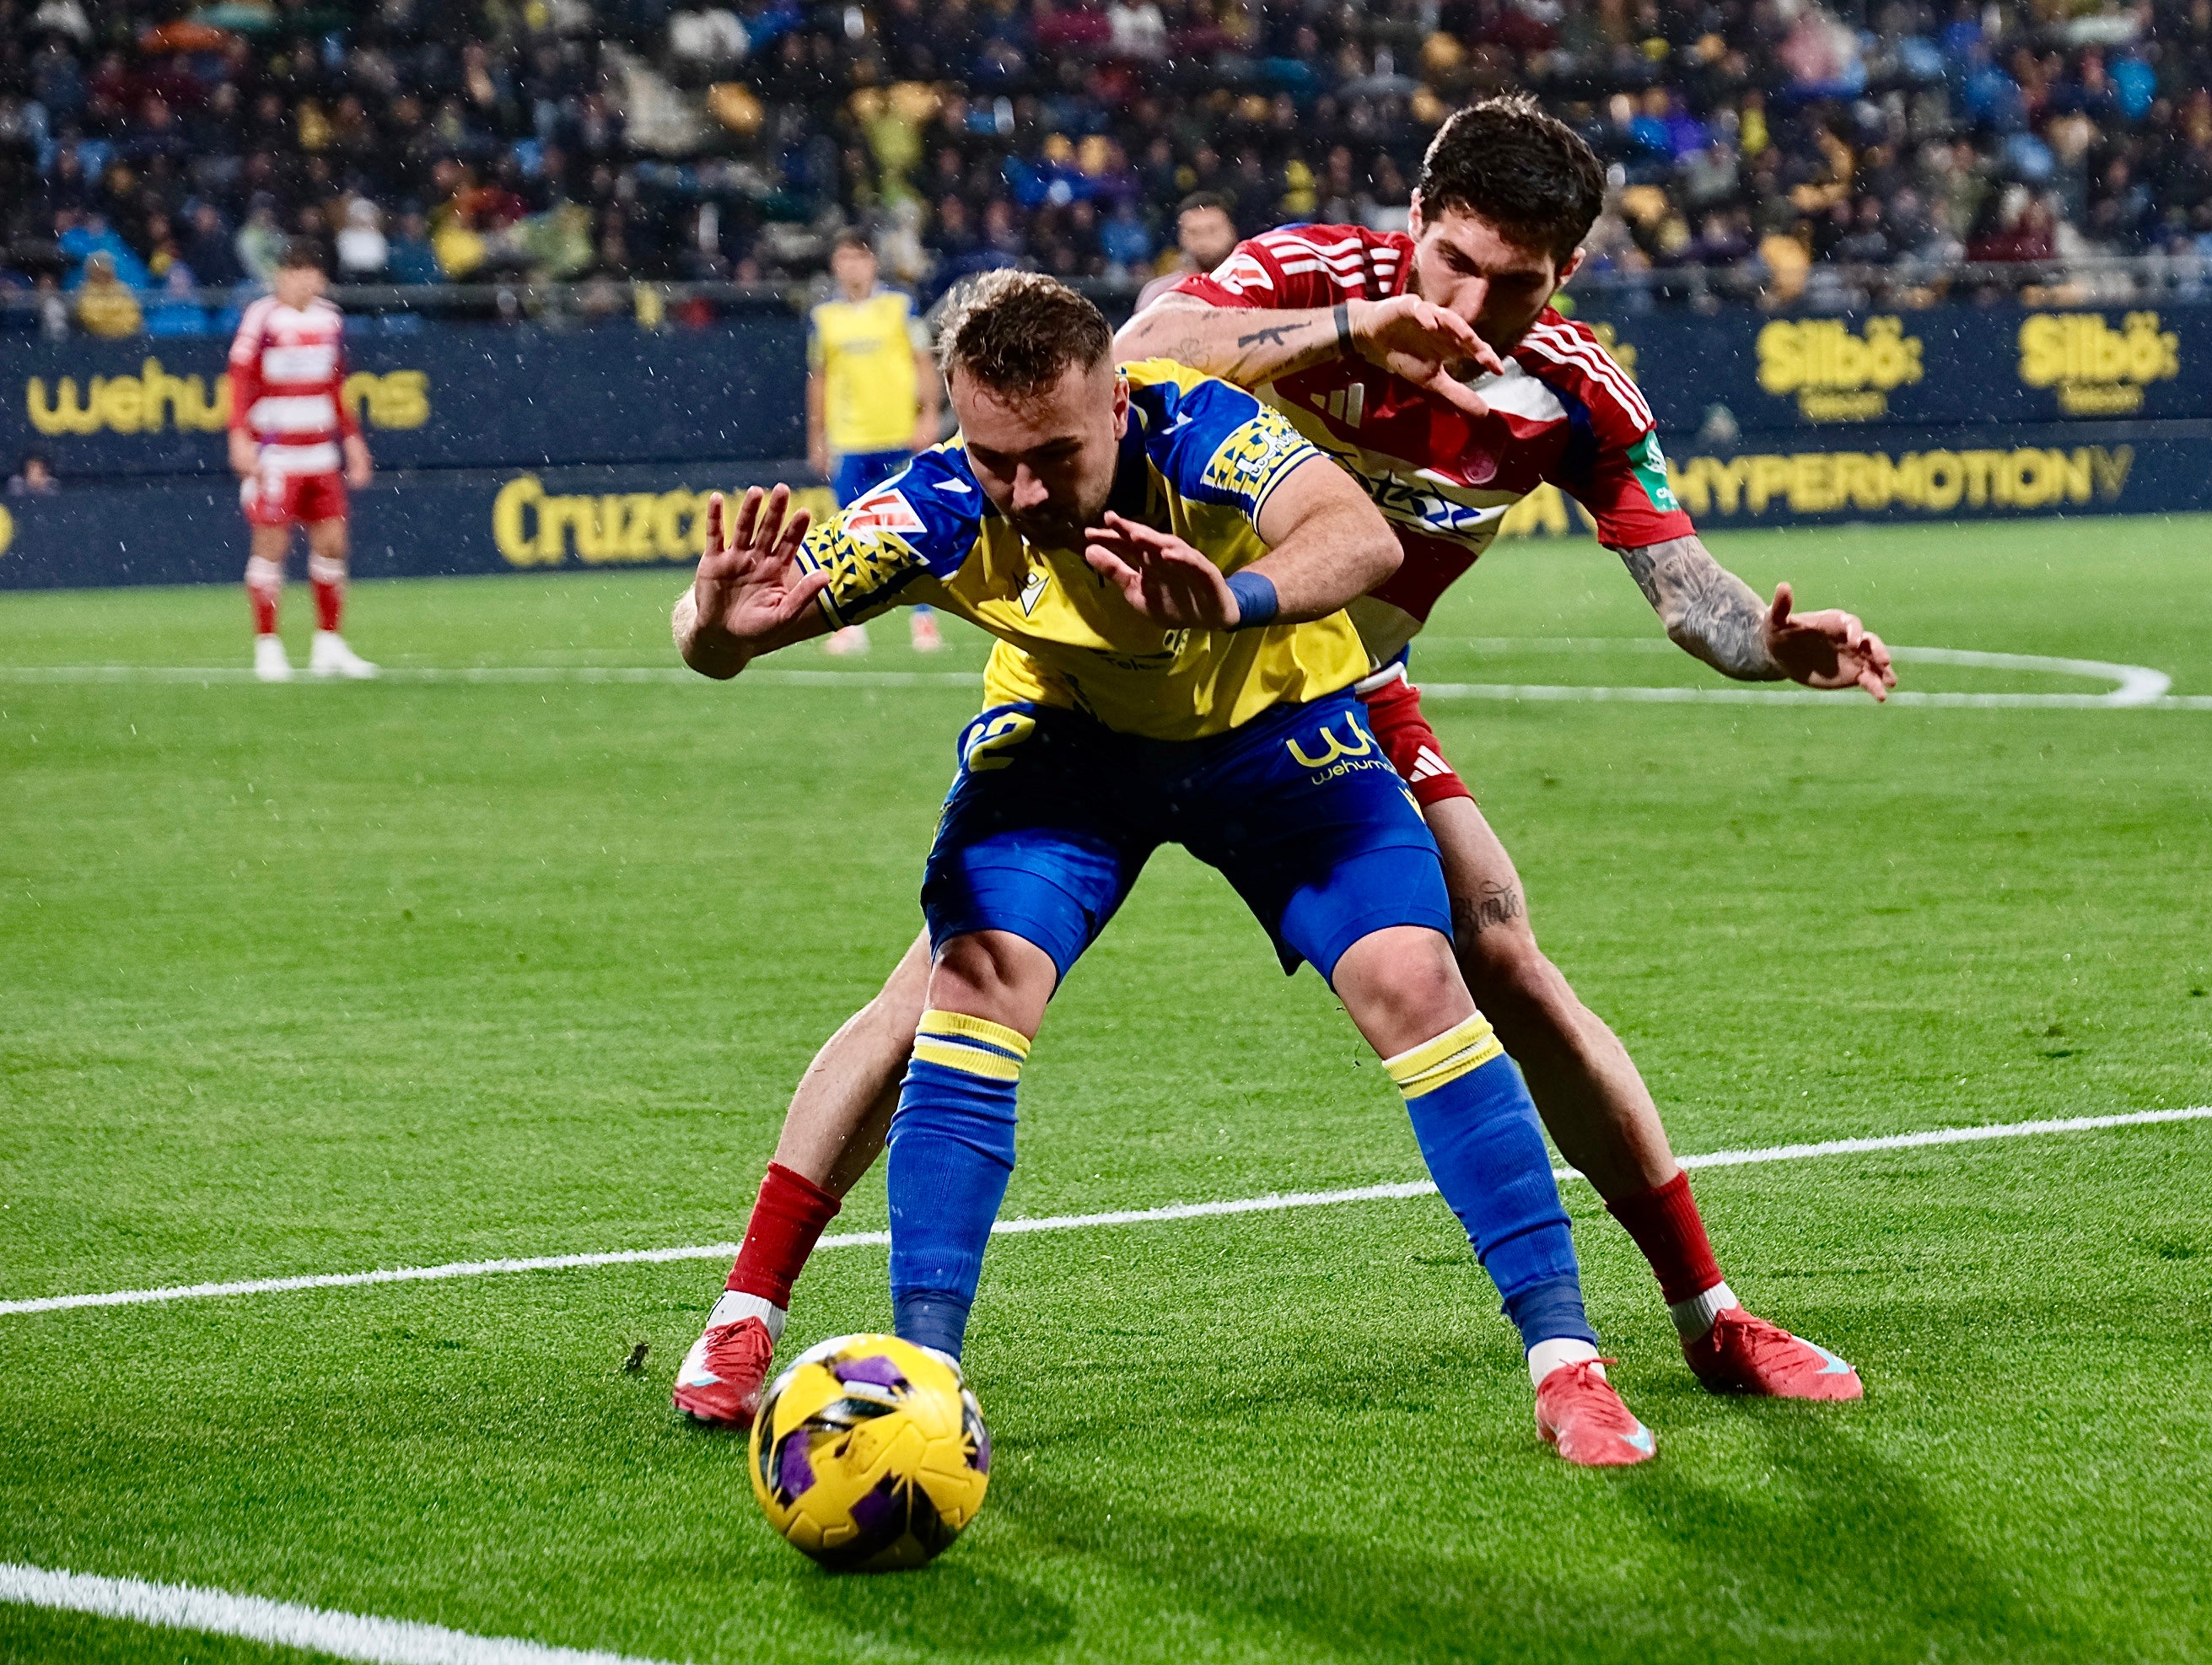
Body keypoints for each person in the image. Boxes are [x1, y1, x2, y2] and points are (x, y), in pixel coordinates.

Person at [704, 95, 1893, 1407]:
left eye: (1520, 284)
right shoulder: (1311, 277)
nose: (1480, 303)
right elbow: (1142, 347)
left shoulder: (1571, 392)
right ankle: (748, 1308)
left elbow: (1689, 597)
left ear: (1569, 276)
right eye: (1456, 263)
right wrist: (1347, 331)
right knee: (944, 981)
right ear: (1416, 222)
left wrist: (1770, 649)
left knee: (1497, 950)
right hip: (1098, 673)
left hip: (1323, 686)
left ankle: (1708, 1313)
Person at [671, 272, 1658, 1466]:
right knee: (969, 985)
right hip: (1074, 749)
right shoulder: (934, 502)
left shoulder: (1203, 427)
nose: (1024, 491)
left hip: (1273, 732)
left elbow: (1355, 533)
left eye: (1054, 457)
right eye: (995, 457)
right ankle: (911, 1374)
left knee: (1419, 980)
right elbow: (729, 636)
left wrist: (1237, 596)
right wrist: (716, 631)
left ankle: (1568, 1365)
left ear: (1119, 408)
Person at [228, 240, 376, 681]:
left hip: (320, 453)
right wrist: (239, 436)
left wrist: (352, 440)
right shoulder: (262, 317)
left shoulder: (330, 319)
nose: (300, 279)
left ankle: (328, 644)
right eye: (292, 271)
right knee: (271, 546)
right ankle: (268, 647)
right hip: (276, 453)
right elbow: (239, 378)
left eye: (309, 271)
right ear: (281, 276)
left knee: (332, 543)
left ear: (321, 278)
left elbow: (335, 384)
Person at [805, 228, 944, 656]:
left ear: (872, 263)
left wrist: (929, 415)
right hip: (850, 439)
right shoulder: (824, 319)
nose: (854, 266)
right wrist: (817, 436)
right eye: (846, 258)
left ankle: (924, 619)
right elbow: (820, 379)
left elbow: (924, 362)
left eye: (861, 257)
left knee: (910, 527)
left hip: (898, 435)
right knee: (847, 533)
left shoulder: (900, 307)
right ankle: (849, 624)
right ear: (836, 265)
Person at [1133, 191, 1241, 312]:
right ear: (1181, 237)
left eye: (1212, 230)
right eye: (1193, 232)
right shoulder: (1160, 294)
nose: (1203, 240)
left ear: (1232, 231)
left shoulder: (1258, 287)